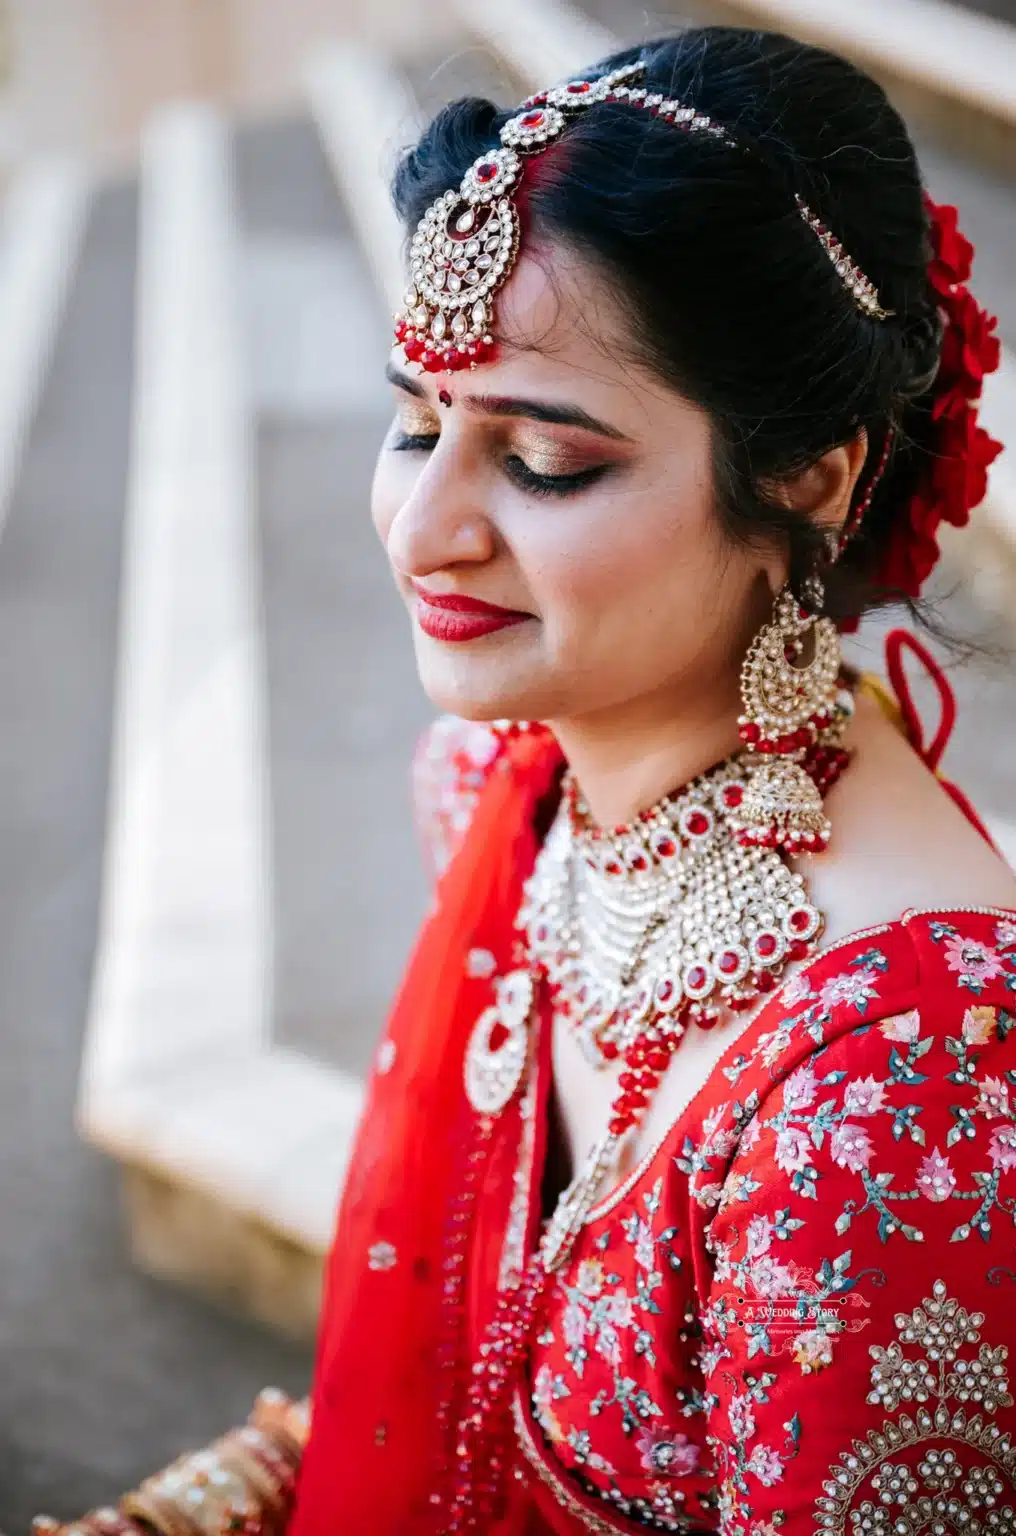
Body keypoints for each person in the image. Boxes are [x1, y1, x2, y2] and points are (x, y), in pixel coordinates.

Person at [45, 24, 1016, 1536]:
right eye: (417, 424)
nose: (422, 529)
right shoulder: (502, 784)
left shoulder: (903, 1078)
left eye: (543, 464)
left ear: (815, 478)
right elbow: (454, 1382)